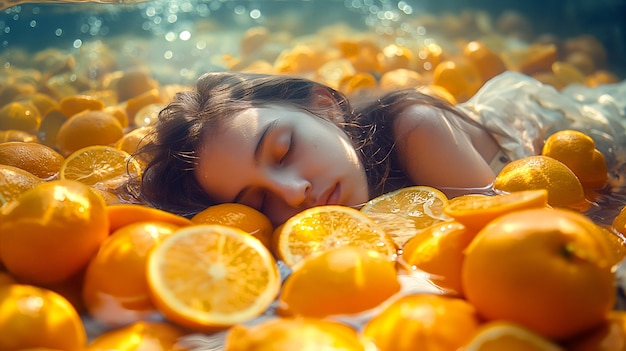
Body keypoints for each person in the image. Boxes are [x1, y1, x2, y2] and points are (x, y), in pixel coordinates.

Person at [131, 70, 626, 226]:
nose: (295, 191)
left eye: (282, 151)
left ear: (325, 107)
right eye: (259, 202)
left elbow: (515, 226)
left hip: (582, 121)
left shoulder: (416, 129)